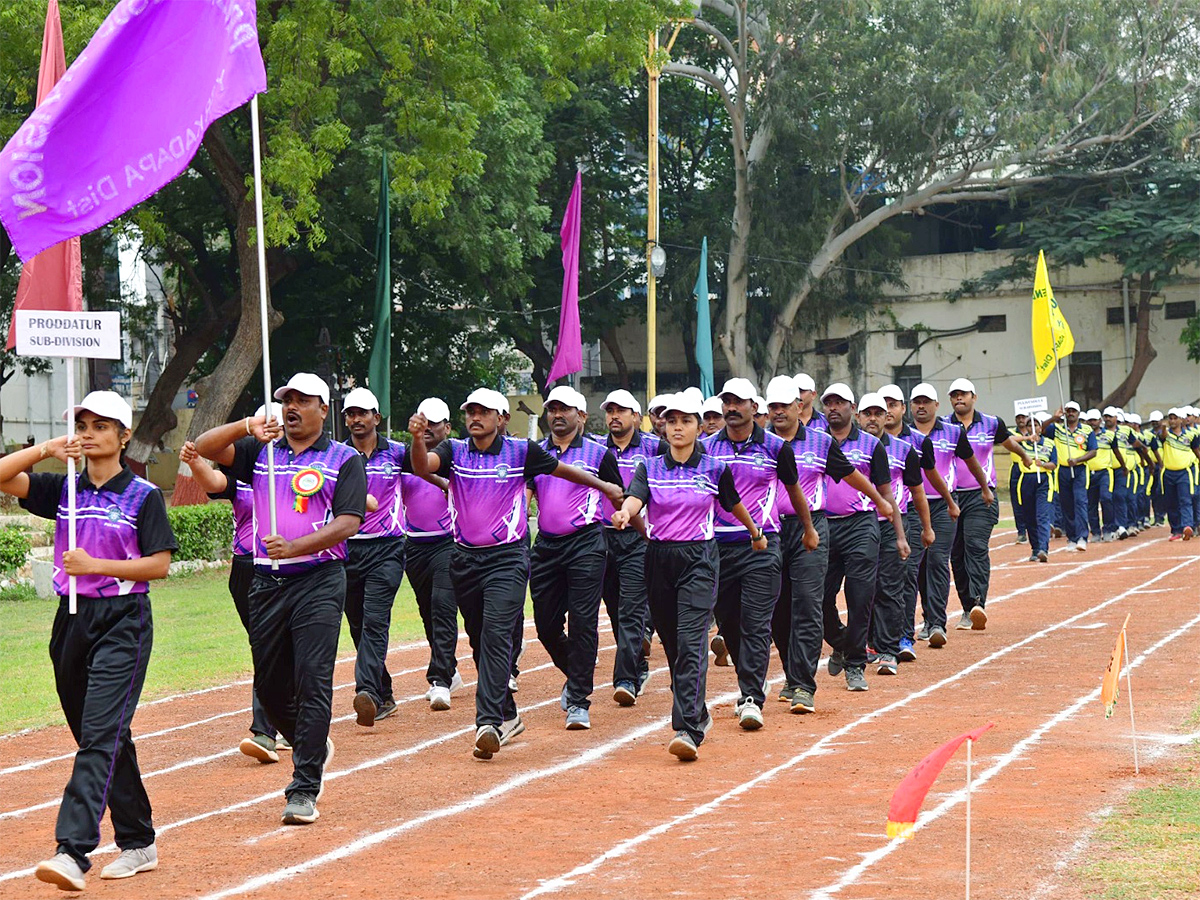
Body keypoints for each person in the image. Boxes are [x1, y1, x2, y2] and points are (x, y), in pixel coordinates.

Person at [0, 391, 176, 890]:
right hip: (71, 621)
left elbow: (158, 565)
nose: (89, 432)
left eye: (101, 425)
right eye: (82, 424)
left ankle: (72, 851)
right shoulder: (63, 490)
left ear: (123, 436)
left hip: (123, 621)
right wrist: (45, 450)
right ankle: (139, 841)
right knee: (101, 735)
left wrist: (96, 565)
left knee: (99, 735)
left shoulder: (143, 495)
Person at [407, 388, 623, 759]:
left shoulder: (522, 452)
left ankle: (489, 720)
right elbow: (422, 466)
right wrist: (415, 438)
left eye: (484, 412)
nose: (475, 417)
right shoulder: (454, 451)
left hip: (507, 559)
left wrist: (603, 486)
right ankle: (507, 712)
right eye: (470, 411)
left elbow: (562, 470)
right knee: (477, 637)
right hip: (464, 558)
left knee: (494, 635)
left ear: (502, 418)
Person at [195, 373, 366, 826]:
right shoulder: (260, 453)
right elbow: (205, 445)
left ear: (323, 409)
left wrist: (299, 546)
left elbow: (349, 521)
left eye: (301, 400)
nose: (290, 407)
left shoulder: (343, 459)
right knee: (270, 687)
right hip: (266, 584)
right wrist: (245, 425)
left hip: (319, 580)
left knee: (312, 680)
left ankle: (304, 786)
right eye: (285, 400)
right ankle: (311, 741)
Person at [611, 393, 766, 760]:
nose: (677, 427)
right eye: (671, 421)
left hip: (699, 559)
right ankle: (698, 712)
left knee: (692, 642)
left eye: (685, 421)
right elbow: (635, 499)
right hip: (659, 558)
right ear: (662, 427)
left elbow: (733, 504)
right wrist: (624, 513)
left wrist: (755, 532)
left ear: (698, 426)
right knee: (672, 643)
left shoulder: (714, 468)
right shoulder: (649, 467)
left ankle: (687, 728)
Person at [764, 376, 891, 713]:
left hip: (813, 531)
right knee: (779, 609)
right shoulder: (759, 444)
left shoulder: (820, 443)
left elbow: (849, 473)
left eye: (783, 406)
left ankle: (805, 685)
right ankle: (795, 674)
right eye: (772, 407)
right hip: (772, 532)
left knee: (809, 603)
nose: (778, 412)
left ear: (798, 406)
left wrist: (879, 499)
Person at [702, 378, 818, 731]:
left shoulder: (775, 447)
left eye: (739, 402)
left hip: (762, 545)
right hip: (717, 547)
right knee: (730, 625)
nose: (732, 408)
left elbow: (794, 490)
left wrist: (809, 528)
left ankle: (751, 697)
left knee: (755, 623)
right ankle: (751, 678)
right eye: (727, 402)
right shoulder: (706, 448)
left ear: (756, 408)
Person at [180, 403, 286, 763]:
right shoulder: (246, 469)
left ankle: (285, 720)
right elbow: (214, 482)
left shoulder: (306, 469)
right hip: (248, 568)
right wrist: (195, 462)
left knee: (287, 648)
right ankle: (265, 730)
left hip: (297, 566)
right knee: (266, 645)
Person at [528, 387, 622, 730]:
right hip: (547, 546)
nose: (557, 414)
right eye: (552, 408)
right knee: (546, 626)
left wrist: (632, 522)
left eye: (564, 409)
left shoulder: (599, 454)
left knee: (583, 621)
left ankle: (579, 700)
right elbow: (526, 489)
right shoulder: (534, 451)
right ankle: (577, 670)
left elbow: (618, 495)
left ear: (581, 416)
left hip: (586, 543)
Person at [820, 384, 907, 692]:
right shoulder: (816, 441)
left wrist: (899, 534)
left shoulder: (872, 446)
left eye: (839, 402)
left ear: (851, 409)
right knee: (818, 598)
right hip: (823, 527)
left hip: (860, 526)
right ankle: (841, 642)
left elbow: (886, 494)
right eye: (828, 402)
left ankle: (855, 665)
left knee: (860, 598)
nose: (833, 407)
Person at [339, 387, 406, 726]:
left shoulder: (397, 453)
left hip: (388, 549)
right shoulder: (338, 457)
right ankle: (384, 692)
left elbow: (426, 470)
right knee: (356, 624)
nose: (356, 420)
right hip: (348, 550)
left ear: (376, 418)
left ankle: (366, 690)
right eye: (350, 414)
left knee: (375, 619)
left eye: (362, 413)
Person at [945, 378, 1032, 629]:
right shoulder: (944, 427)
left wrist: (1024, 455)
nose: (959, 398)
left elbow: (1008, 442)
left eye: (963, 394)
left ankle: (978, 603)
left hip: (982, 496)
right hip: (951, 497)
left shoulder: (992, 423)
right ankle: (966, 608)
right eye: (954, 395)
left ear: (974, 397)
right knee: (956, 554)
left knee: (975, 545)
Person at [878, 383, 955, 663]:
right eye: (882, 404)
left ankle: (905, 636)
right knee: (875, 581)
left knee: (908, 574)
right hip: (869, 520)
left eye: (892, 404)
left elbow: (926, 482)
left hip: (907, 515)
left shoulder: (917, 443)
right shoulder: (864, 440)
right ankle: (876, 638)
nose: (887, 410)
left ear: (901, 409)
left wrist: (946, 504)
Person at [858, 393, 930, 676]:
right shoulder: (840, 448)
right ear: (858, 415)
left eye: (879, 413)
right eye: (868, 413)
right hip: (857, 525)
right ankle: (864, 642)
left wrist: (925, 528)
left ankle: (888, 649)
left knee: (890, 586)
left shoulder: (903, 450)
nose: (873, 418)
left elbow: (918, 492)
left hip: (891, 524)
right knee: (861, 588)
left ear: (887, 417)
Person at [599, 389, 661, 705]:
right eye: (610, 411)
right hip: (603, 538)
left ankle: (625, 679)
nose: (614, 416)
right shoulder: (597, 449)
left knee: (631, 609)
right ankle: (638, 664)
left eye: (621, 410)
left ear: (636, 416)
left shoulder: (655, 448)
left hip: (640, 539)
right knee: (613, 607)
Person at [401, 397, 462, 710]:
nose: (427, 430)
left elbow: (454, 487)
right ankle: (449, 667)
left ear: (447, 428)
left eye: (434, 424)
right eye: (423, 423)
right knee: (427, 610)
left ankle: (439, 679)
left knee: (441, 606)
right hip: (414, 544)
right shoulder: (406, 455)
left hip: (447, 542)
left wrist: (429, 474)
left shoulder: (455, 455)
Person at [907, 384, 974, 648]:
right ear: (910, 406)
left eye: (926, 402)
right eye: (917, 402)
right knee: (916, 565)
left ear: (937, 405)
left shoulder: (953, 432)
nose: (921, 406)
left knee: (937, 560)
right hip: (911, 506)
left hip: (943, 507)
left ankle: (936, 623)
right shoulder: (904, 436)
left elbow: (970, 461)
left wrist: (983, 487)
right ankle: (921, 620)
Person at [1042, 401, 1096, 551]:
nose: (1070, 413)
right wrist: (1054, 418)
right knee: (1066, 505)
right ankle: (1071, 538)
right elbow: (1041, 429)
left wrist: (1078, 460)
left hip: (1079, 470)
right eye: (1068, 411)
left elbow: (1093, 451)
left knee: (1080, 502)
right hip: (1063, 471)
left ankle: (1082, 537)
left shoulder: (1087, 430)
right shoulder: (1058, 429)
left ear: (1078, 413)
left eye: (1073, 411)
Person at [1012, 411, 1058, 562]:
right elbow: (1008, 439)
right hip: (1025, 480)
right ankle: (1035, 548)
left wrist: (1043, 464)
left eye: (1036, 424)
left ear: (1041, 428)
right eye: (1029, 425)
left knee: (1042, 515)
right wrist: (1027, 437)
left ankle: (1043, 549)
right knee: (1029, 517)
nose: (1032, 428)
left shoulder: (1050, 444)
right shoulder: (1022, 442)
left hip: (1043, 481)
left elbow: (1054, 464)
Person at [1161, 408, 1200, 540]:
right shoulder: (1166, 435)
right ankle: (1176, 529)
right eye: (1170, 418)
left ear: (1181, 420)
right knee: (1171, 502)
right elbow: (1162, 436)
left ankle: (1187, 526)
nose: (1172, 421)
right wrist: (1163, 428)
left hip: (1184, 472)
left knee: (1185, 499)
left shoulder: (1190, 435)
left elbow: (1196, 450)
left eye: (1175, 418)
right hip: (1168, 473)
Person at [1084, 408, 1119, 542]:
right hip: (1088, 473)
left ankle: (1109, 529)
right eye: (1090, 420)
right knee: (1091, 503)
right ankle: (1096, 532)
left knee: (1106, 498)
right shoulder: (1084, 436)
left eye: (1094, 420)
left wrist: (1123, 466)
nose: (1092, 423)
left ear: (1100, 421)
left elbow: (1116, 451)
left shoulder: (1109, 435)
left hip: (1104, 472)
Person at [1010, 412, 1030, 543]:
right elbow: (1009, 439)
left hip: (1031, 468)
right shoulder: (1011, 431)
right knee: (1017, 501)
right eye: (1018, 418)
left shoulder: (1034, 429)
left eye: (1023, 417)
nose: (1021, 420)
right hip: (1017, 468)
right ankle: (1021, 531)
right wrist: (1026, 438)